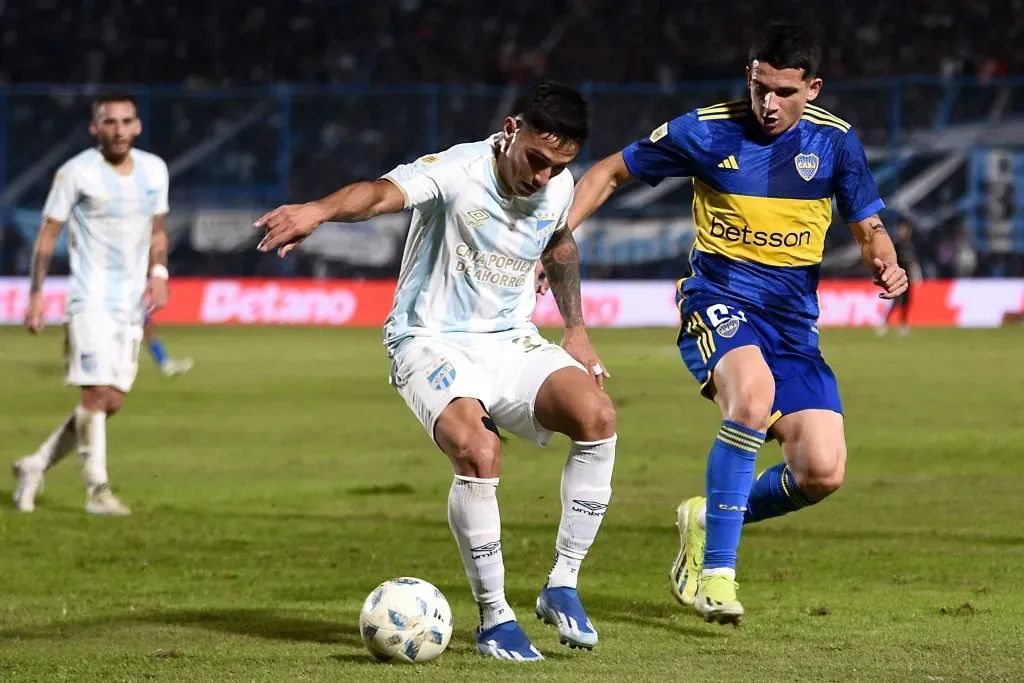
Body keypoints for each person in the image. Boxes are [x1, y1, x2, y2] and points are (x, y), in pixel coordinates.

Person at [255, 81, 617, 661]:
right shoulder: (458, 170)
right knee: (478, 451)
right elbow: (377, 195)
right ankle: (496, 617)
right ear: (510, 131)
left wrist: (574, 328)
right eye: (536, 161)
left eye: (558, 167)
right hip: (429, 340)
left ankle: (562, 584)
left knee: (597, 415)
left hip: (509, 341)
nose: (543, 178)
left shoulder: (557, 184)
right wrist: (318, 211)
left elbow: (560, 242)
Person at [563, 24, 907, 624]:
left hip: (794, 325)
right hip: (719, 300)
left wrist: (885, 256)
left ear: (813, 88)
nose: (768, 104)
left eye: (784, 92)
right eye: (759, 87)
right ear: (748, 76)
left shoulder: (837, 144)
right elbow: (608, 173)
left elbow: (866, 223)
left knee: (821, 470)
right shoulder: (704, 130)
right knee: (751, 397)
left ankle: (707, 516)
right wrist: (558, 235)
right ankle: (717, 575)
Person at [12, 92, 171, 516]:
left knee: (109, 401)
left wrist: (159, 274)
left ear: (137, 126)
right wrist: (35, 295)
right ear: (95, 128)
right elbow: (47, 236)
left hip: (130, 304)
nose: (118, 129)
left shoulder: (155, 170)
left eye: (126, 121)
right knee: (95, 392)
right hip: (89, 298)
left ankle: (35, 464)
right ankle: (97, 490)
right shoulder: (76, 173)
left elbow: (158, 230)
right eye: (109, 122)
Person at [878, 219, 920, 336]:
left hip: (908, 278)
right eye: (901, 229)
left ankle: (903, 324)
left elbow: (913, 262)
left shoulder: (910, 246)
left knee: (907, 302)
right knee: (896, 302)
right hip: (897, 277)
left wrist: (916, 274)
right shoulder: (896, 245)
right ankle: (884, 323)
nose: (903, 232)